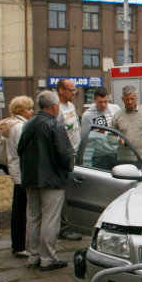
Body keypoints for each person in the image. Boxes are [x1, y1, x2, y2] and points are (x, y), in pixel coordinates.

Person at [18, 90, 73, 271]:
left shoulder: (28, 124)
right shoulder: (54, 125)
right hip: (51, 179)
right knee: (51, 219)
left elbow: (20, 150)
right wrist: (68, 168)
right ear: (55, 106)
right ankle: (48, 258)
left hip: (30, 177)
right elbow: (64, 153)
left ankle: (33, 256)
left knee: (33, 217)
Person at [0, 95, 34, 258]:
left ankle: (18, 243)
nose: (32, 111)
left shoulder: (12, 124)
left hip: (17, 171)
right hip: (22, 173)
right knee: (21, 211)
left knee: (19, 208)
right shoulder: (20, 127)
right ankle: (20, 245)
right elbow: (24, 149)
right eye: (28, 108)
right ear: (20, 111)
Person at [54, 78, 82, 241]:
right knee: (63, 192)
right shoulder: (56, 109)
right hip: (66, 155)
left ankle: (71, 222)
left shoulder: (70, 106)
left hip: (75, 153)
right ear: (61, 91)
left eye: (74, 90)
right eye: (71, 90)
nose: (74, 93)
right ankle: (63, 227)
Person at [112, 85, 142, 170]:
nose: (130, 102)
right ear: (122, 99)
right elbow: (110, 136)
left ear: (136, 98)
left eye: (132, 99)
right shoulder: (117, 115)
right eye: (127, 99)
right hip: (123, 160)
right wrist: (119, 140)